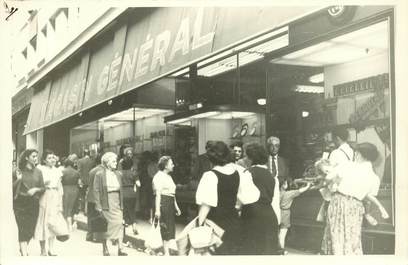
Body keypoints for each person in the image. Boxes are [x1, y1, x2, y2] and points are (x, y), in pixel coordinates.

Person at [195, 141, 260, 255]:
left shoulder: (210, 176)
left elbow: (206, 205)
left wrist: (199, 226)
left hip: (216, 225)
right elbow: (249, 197)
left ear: (211, 159)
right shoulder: (238, 173)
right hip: (234, 223)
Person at [320, 142, 385, 255]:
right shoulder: (374, 177)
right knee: (352, 239)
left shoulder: (347, 165)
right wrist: (369, 213)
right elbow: (368, 200)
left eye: (356, 153)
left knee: (336, 237)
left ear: (359, 154)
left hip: (338, 203)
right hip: (356, 207)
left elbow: (328, 179)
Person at [240, 143, 280, 255]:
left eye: (246, 156)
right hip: (270, 215)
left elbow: (243, 198)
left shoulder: (248, 173)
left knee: (251, 252)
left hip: (252, 216)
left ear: (250, 158)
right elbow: (275, 201)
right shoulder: (272, 176)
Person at [93, 152, 127, 256]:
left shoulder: (118, 174)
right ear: (107, 162)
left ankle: (120, 249)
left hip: (116, 201)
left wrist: (122, 204)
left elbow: (121, 189)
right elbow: (96, 190)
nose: (116, 163)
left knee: (120, 224)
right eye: (113, 161)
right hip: (106, 202)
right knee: (105, 226)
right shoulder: (99, 174)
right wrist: (98, 205)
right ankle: (105, 248)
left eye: (116, 161)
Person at [13, 149, 45, 256]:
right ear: (27, 157)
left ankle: (23, 247)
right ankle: (24, 252)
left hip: (33, 203)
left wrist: (35, 189)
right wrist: (18, 179)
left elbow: (43, 188)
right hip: (20, 203)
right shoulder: (18, 171)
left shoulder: (39, 172)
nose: (36, 158)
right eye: (34, 156)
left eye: (37, 156)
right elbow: (10, 188)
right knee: (22, 227)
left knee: (31, 229)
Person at [34, 149, 65, 256]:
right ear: (44, 160)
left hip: (55, 196)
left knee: (53, 223)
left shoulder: (58, 171)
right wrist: (43, 186)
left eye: (53, 157)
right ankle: (43, 249)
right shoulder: (40, 169)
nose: (52, 160)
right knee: (43, 222)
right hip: (44, 195)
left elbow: (60, 187)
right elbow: (35, 184)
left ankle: (51, 249)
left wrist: (60, 202)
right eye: (49, 158)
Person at [153, 156, 182, 255]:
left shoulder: (169, 176)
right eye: (171, 164)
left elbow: (172, 194)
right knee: (165, 227)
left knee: (169, 228)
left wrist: (176, 206)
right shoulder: (159, 176)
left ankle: (167, 251)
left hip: (169, 202)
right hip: (163, 203)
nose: (173, 165)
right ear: (165, 166)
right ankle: (166, 253)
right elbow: (158, 194)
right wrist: (157, 210)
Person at [279, 179, 311, 253]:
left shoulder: (277, 193)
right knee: (282, 234)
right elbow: (300, 191)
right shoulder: (289, 193)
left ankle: (277, 249)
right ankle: (281, 251)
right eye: (286, 183)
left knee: (277, 233)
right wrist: (308, 185)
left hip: (277, 212)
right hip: (285, 213)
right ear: (284, 185)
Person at [266, 136, 290, 224]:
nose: (274, 148)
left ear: (279, 147)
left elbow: (287, 176)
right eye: (271, 145)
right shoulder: (263, 160)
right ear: (268, 146)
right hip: (267, 193)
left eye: (277, 146)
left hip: (280, 193)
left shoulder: (284, 161)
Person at [118, 147, 140, 235]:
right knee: (132, 210)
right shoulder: (133, 173)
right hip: (132, 193)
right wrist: (134, 182)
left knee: (123, 212)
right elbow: (139, 184)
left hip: (123, 193)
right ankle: (134, 227)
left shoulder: (120, 173)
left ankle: (122, 231)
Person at [85, 153, 103, 242]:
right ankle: (97, 237)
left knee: (90, 217)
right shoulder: (103, 171)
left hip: (90, 197)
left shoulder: (92, 171)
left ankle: (89, 235)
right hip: (98, 197)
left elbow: (89, 184)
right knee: (98, 217)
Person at [61, 158, 81, 232]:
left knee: (65, 207)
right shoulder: (77, 172)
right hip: (75, 189)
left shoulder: (63, 171)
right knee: (72, 207)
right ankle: (72, 223)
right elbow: (79, 182)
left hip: (65, 189)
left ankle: (67, 225)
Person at [77, 149, 95, 215]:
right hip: (90, 181)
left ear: (83, 154)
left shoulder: (80, 161)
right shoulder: (92, 161)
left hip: (83, 181)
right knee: (88, 195)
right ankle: (87, 210)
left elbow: (79, 171)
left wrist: (80, 180)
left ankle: (83, 209)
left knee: (82, 195)